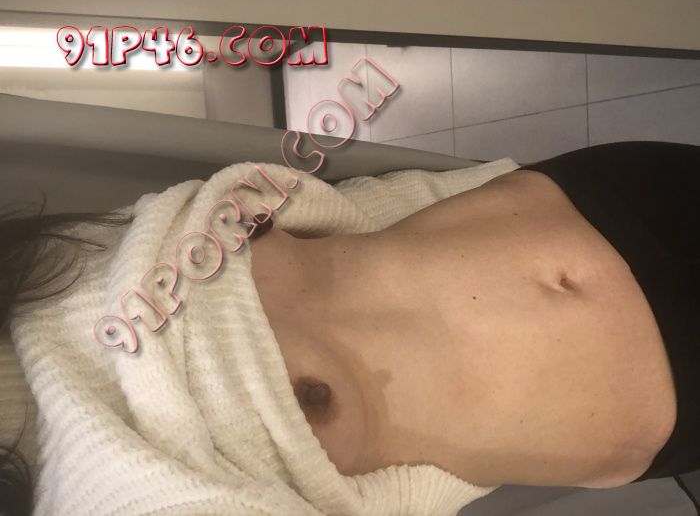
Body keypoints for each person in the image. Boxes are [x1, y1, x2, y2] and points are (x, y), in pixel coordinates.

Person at [0, 141, 698, 515]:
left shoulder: (45, 261)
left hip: (602, 192)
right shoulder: (114, 492)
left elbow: (339, 216)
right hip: (664, 376)